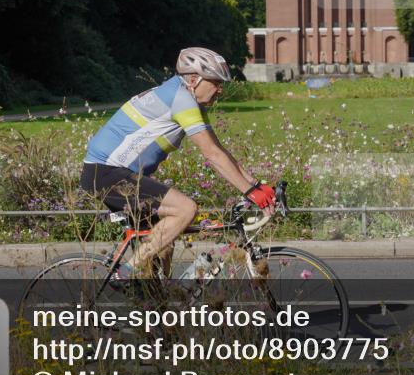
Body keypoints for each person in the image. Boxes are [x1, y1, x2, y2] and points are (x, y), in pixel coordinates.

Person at [80, 47, 275, 276]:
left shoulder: (186, 97)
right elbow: (211, 155)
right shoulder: (181, 100)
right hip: (106, 173)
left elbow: (218, 149)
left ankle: (159, 303)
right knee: (186, 209)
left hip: (117, 172)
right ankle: (126, 274)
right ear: (193, 79)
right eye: (215, 82)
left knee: (165, 242)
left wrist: (254, 183)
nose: (220, 89)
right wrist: (251, 191)